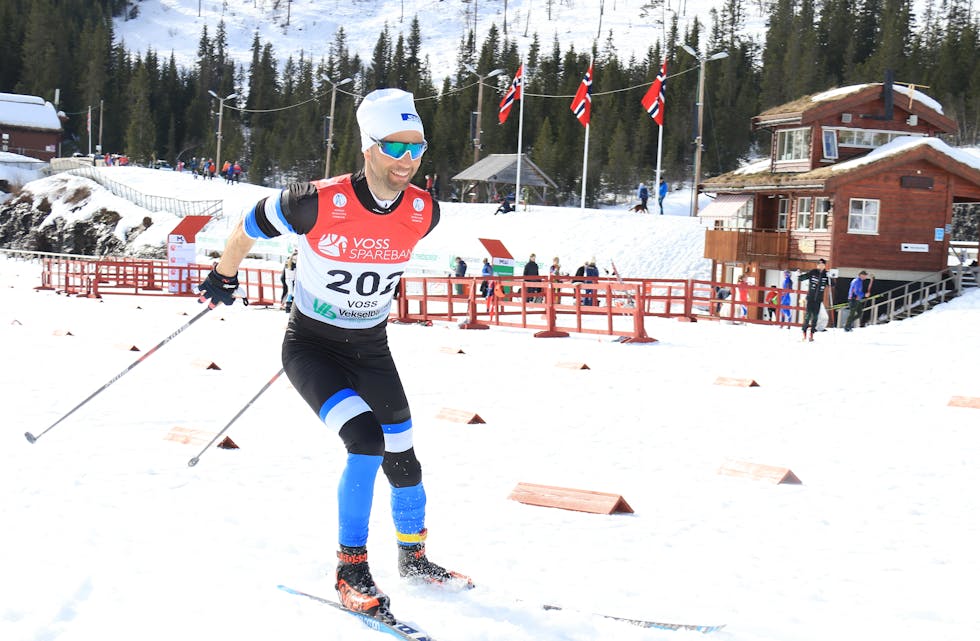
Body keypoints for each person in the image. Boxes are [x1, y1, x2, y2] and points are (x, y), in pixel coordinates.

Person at [194, 88, 469, 625]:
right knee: (364, 439)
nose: (408, 161)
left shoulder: (424, 211)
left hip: (371, 348)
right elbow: (249, 224)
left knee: (405, 459)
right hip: (312, 348)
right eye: (395, 147)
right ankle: (350, 569)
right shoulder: (315, 201)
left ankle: (414, 558)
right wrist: (224, 273)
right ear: (368, 148)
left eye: (417, 148)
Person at [800, 259, 831, 342]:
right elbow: (803, 278)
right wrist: (799, 275)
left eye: (823, 265)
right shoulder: (813, 272)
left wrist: (831, 277)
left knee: (815, 318)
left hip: (818, 300)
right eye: (819, 264)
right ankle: (804, 334)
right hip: (810, 298)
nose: (821, 266)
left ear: (824, 266)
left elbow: (832, 284)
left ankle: (812, 335)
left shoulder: (826, 274)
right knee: (807, 317)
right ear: (817, 265)